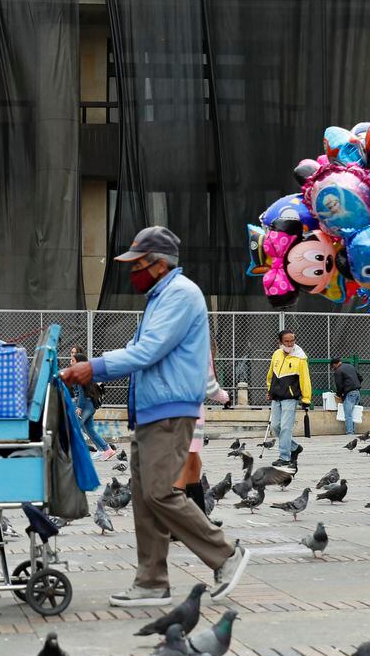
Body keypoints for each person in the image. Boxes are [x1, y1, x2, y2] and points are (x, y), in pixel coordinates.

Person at [60, 225, 249, 607]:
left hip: (169, 410)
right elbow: (136, 348)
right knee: (145, 498)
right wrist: (85, 368)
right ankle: (151, 581)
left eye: (137, 264)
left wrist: (91, 368)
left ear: (159, 264)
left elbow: (145, 352)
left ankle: (225, 554)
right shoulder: (160, 298)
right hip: (150, 411)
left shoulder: (179, 295)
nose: (132, 272)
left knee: (161, 492)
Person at [177, 362, 228, 517]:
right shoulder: (199, 344)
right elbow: (211, 387)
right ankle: (175, 523)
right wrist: (226, 397)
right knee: (184, 471)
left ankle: (199, 519)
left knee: (194, 466)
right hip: (189, 414)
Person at [265, 330, 311, 470]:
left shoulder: (300, 358)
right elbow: (270, 375)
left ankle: (284, 457)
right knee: (275, 426)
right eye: (287, 341)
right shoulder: (276, 354)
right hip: (276, 397)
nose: (290, 343)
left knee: (285, 428)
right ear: (280, 342)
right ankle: (295, 447)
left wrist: (306, 399)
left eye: (292, 340)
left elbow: (305, 379)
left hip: (290, 398)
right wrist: (270, 391)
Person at [68, 347, 115, 460]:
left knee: (74, 427)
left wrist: (79, 407)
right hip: (90, 404)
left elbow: (81, 393)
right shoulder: (83, 371)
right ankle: (106, 449)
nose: (70, 361)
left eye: (73, 360)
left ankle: (74, 453)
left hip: (85, 404)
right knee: (89, 429)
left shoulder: (78, 373)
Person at [331, 358, 362, 435]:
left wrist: (339, 394)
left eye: (332, 367)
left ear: (335, 364)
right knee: (353, 413)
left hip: (349, 394)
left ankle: (350, 432)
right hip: (357, 392)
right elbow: (360, 378)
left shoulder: (338, 371)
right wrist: (355, 385)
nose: (333, 368)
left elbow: (339, 385)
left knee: (348, 414)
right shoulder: (350, 366)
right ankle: (352, 430)